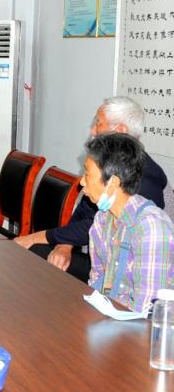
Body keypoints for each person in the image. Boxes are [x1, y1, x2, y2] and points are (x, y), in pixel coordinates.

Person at [14, 96, 168, 281]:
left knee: (35, 250)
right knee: (37, 253)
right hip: (100, 260)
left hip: (123, 272)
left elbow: (92, 227)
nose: (92, 131)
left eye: (98, 124)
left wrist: (40, 237)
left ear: (119, 131)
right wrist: (65, 245)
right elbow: (84, 211)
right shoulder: (103, 170)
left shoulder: (145, 179)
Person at [82, 133, 173, 312]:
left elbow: (147, 310)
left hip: (148, 324)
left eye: (87, 174)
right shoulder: (102, 219)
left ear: (113, 183)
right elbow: (97, 282)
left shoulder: (151, 229)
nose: (81, 181)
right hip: (112, 315)